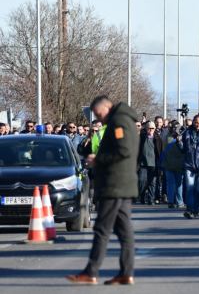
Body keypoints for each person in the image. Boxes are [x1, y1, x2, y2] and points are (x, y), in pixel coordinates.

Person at [66, 95, 138, 285]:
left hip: (115, 184)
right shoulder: (122, 119)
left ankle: (91, 271)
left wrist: (98, 160)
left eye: (99, 114)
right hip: (121, 184)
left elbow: (123, 150)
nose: (99, 119)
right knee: (124, 231)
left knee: (101, 229)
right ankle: (126, 272)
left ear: (106, 108)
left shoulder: (119, 121)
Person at [161, 122, 185, 209]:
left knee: (179, 184)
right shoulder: (167, 137)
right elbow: (164, 149)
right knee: (171, 184)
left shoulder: (183, 137)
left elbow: (184, 149)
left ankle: (179, 202)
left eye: (177, 128)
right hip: (169, 164)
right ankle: (171, 201)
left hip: (179, 164)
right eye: (174, 128)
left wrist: (180, 140)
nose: (176, 129)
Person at [137, 121, 161, 205]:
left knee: (152, 183)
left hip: (154, 164)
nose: (151, 130)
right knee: (142, 181)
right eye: (149, 128)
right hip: (143, 164)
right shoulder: (141, 137)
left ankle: (151, 199)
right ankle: (142, 196)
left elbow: (160, 151)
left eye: (152, 128)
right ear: (146, 129)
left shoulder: (157, 138)